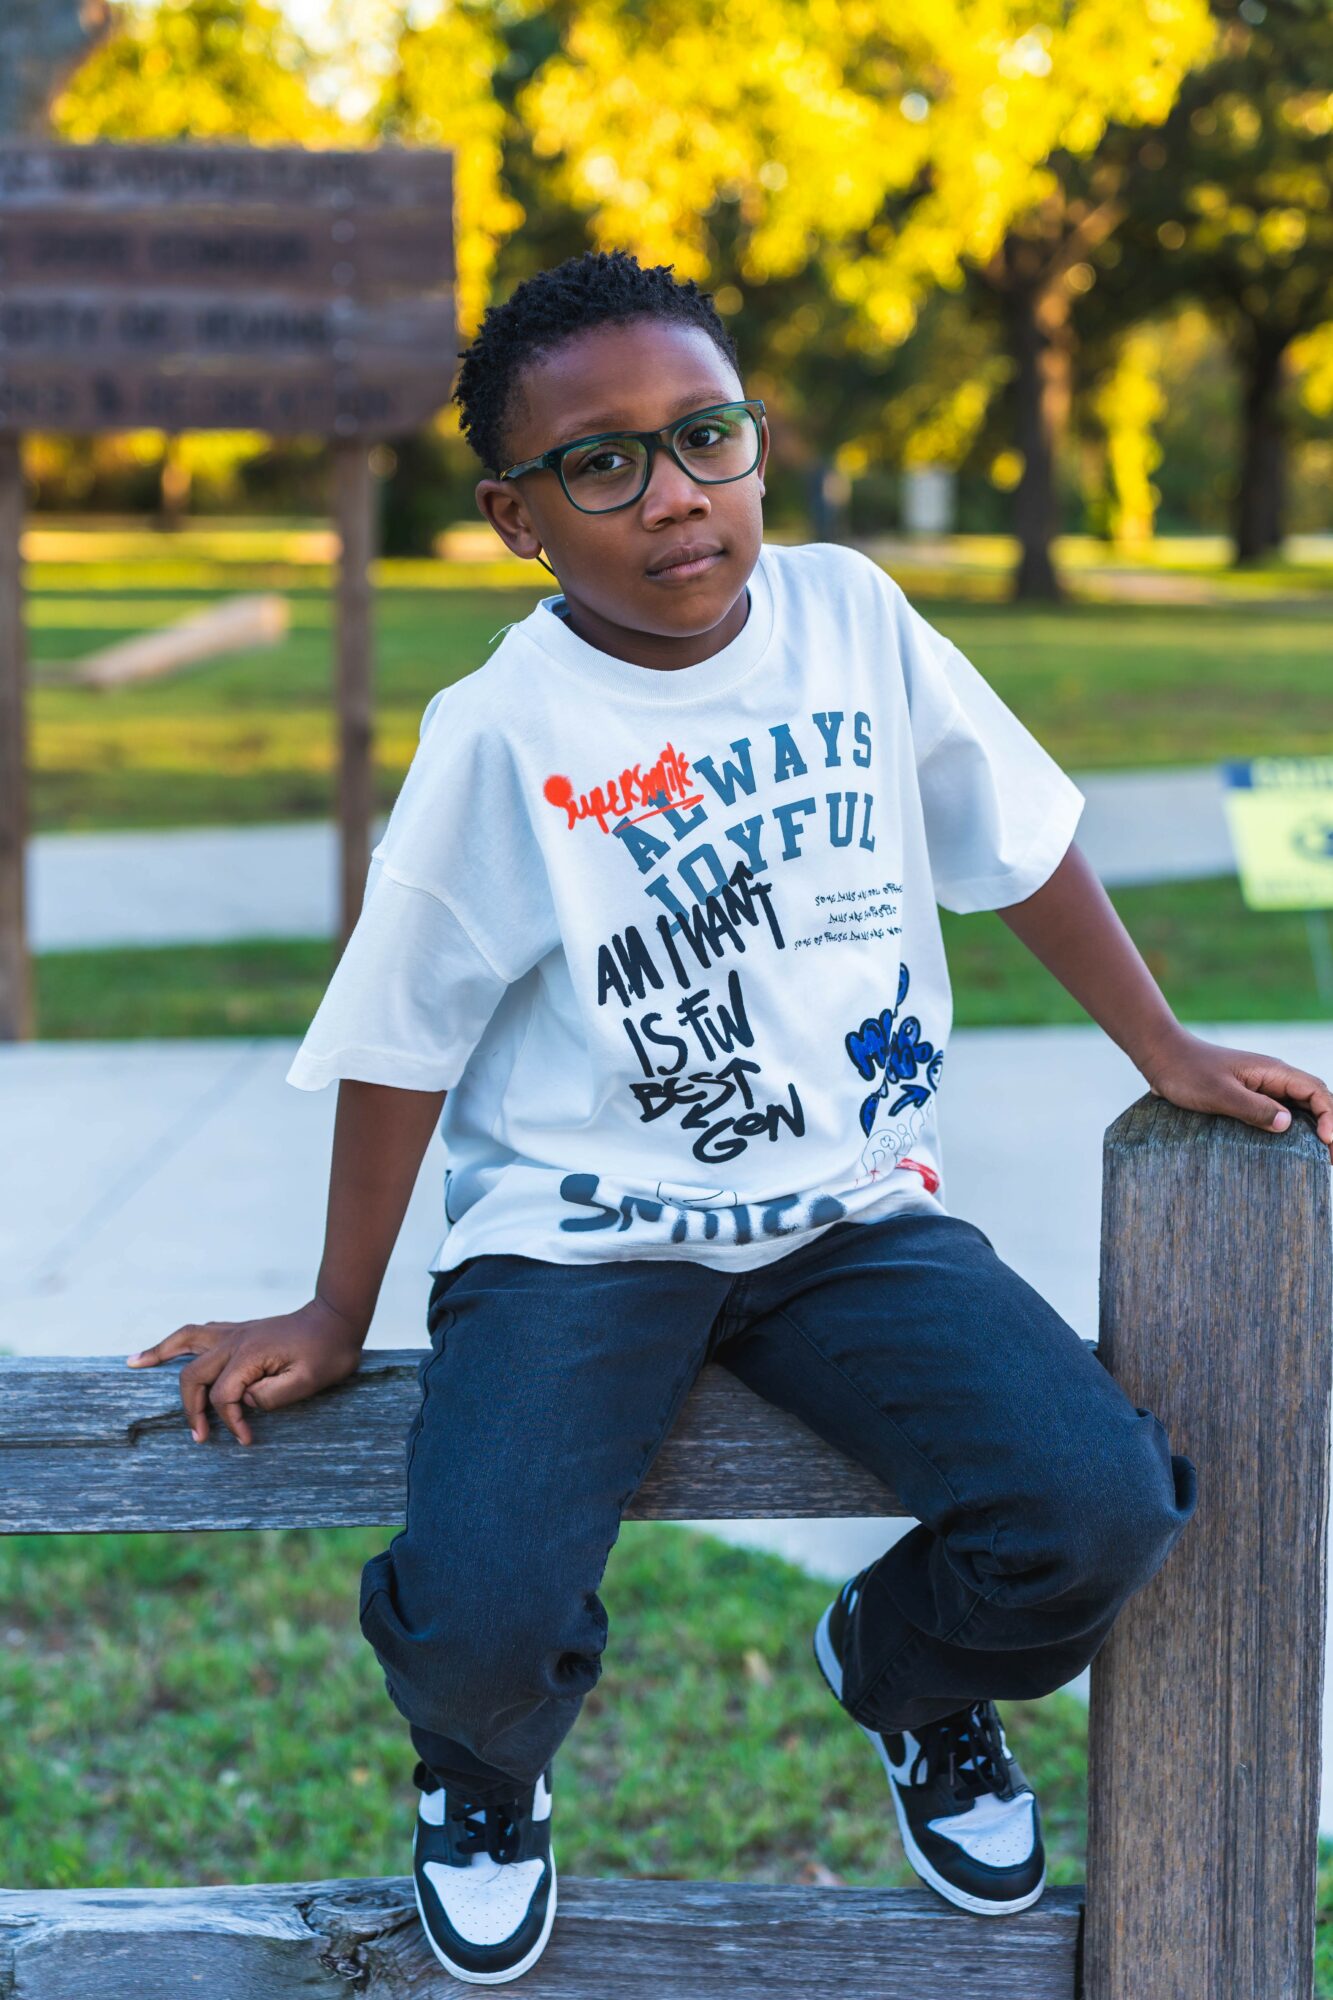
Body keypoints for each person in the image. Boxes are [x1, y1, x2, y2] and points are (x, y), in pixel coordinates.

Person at [126, 249, 1333, 1987]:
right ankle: (480, 1777)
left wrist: (1160, 1045)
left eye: (706, 436)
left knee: (1095, 1509)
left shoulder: (851, 617)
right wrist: (334, 1306)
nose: (674, 495)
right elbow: (402, 1031)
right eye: (602, 463)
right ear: (516, 516)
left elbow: (1014, 837)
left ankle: (903, 1677)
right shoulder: (502, 733)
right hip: (578, 1245)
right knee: (478, 1616)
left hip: (855, 1216)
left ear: (754, 442)